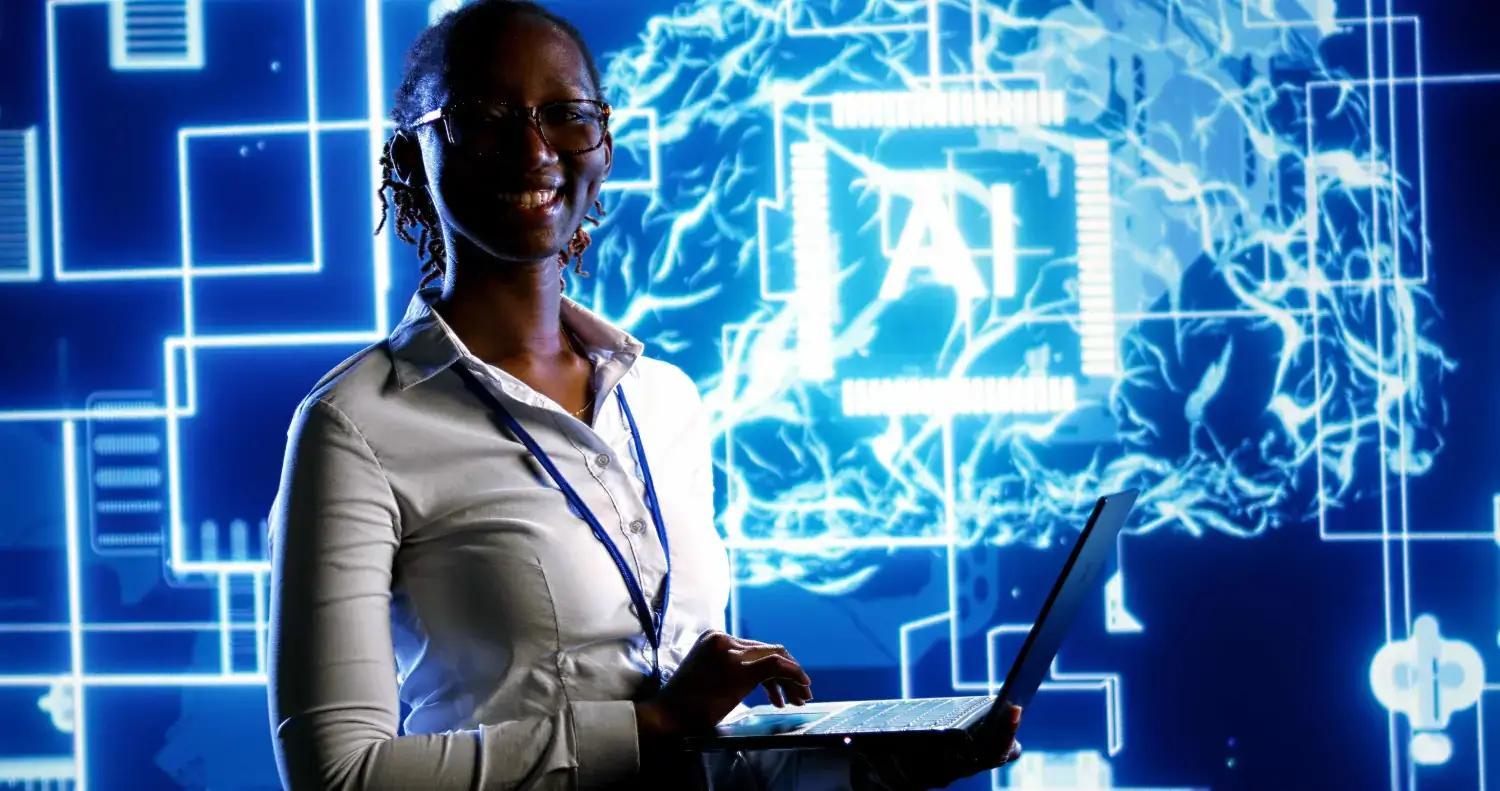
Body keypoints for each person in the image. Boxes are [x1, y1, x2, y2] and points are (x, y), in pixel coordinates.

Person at [264, 1, 1022, 789]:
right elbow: (339, 775)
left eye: (565, 114)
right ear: (411, 152)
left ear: (604, 142)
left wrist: (885, 764)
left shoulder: (665, 402)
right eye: (484, 115)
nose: (532, 147)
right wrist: (649, 726)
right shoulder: (356, 423)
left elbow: (700, 749)